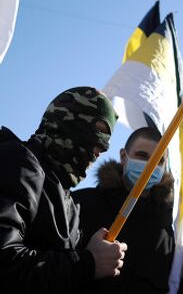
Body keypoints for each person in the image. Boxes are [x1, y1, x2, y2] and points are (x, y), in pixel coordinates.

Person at [0, 87, 128, 292]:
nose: (95, 154)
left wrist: (96, 262)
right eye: (93, 137)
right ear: (65, 122)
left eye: (100, 150)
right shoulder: (18, 162)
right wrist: (88, 262)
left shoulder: (70, 205)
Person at [73, 126, 175, 293]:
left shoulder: (167, 230)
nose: (149, 166)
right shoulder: (81, 204)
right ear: (123, 156)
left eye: (158, 161)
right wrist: (87, 262)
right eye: (142, 156)